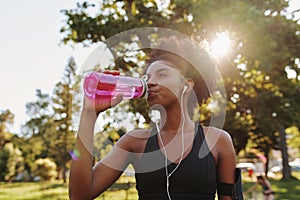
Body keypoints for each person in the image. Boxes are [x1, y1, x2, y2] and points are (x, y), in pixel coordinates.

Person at [69, 36, 238, 200]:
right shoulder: (134, 142)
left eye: (162, 75)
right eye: (147, 77)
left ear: (187, 85)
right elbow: (80, 195)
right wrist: (89, 113)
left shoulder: (218, 141)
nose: (150, 83)